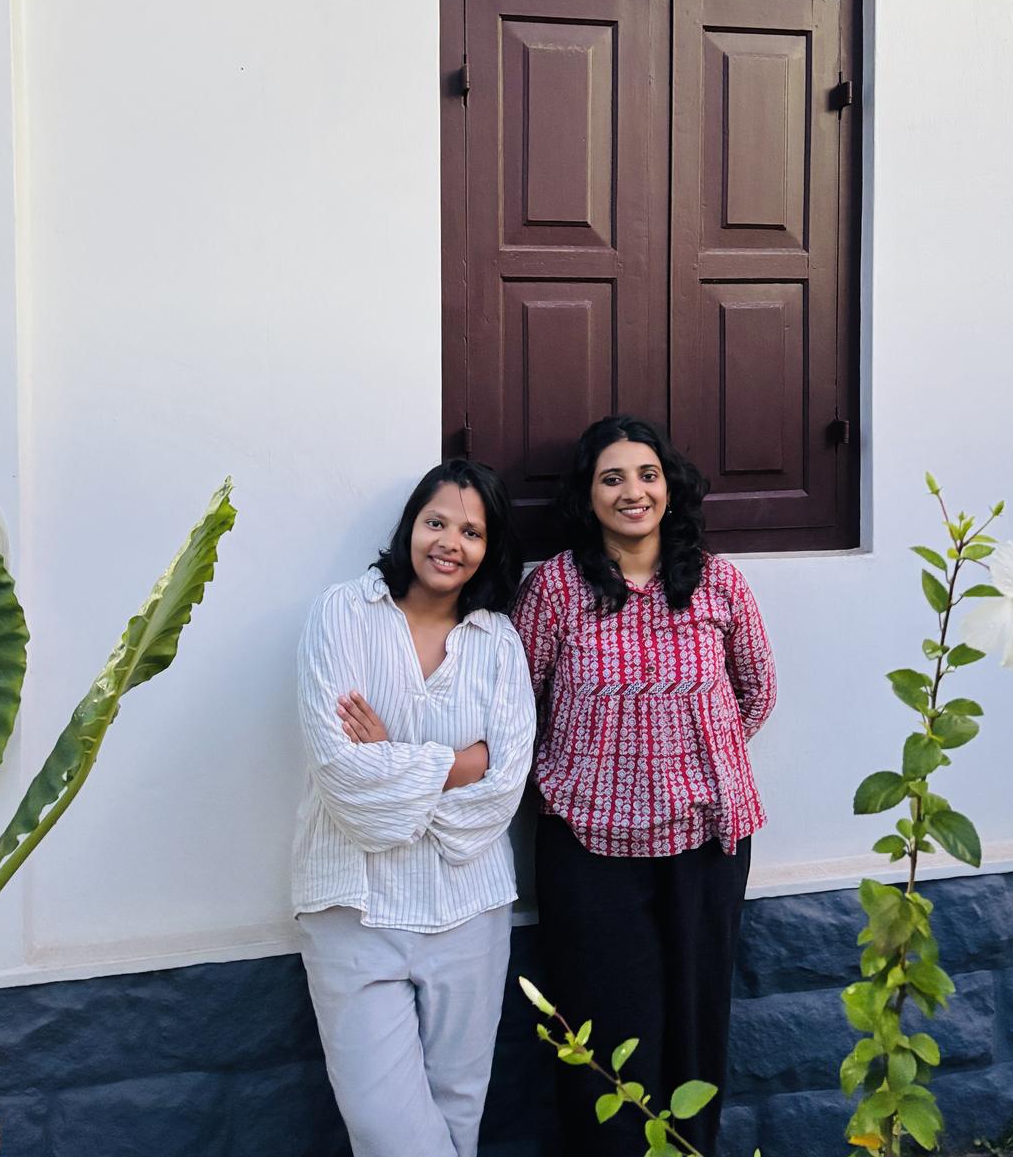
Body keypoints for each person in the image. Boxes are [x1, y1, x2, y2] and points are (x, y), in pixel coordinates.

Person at [513, 415, 776, 1157]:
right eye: (612, 477)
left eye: (647, 474)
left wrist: (685, 761)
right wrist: (600, 773)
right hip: (588, 847)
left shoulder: (719, 581)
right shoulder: (556, 590)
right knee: (603, 1030)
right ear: (587, 495)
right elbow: (515, 703)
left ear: (670, 486)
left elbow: (754, 693)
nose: (634, 491)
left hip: (706, 842)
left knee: (696, 1025)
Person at [293, 460, 536, 1157]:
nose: (449, 542)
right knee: (385, 1129)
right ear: (410, 527)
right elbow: (344, 779)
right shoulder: (343, 614)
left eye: (471, 530)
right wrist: (459, 764)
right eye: (437, 522)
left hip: (471, 906)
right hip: (353, 905)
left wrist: (393, 758)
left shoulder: (499, 645)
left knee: (460, 1117)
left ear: (489, 549)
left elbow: (504, 789)